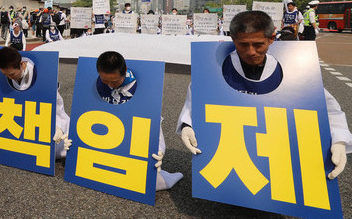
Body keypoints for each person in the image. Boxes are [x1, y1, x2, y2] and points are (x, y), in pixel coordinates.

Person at [177, 10, 352, 181]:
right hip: (232, 151)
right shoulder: (216, 69)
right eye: (243, 45)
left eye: (258, 44)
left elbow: (328, 108)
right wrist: (187, 124)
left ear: (271, 39)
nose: (251, 51)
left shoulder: (294, 72)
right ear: (233, 39)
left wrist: (339, 140)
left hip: (276, 150)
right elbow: (196, 100)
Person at [94, 51, 182, 190]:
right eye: (105, 80)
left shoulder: (138, 87)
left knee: (149, 183)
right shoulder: (98, 84)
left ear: (125, 72)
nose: (110, 85)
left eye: (115, 81)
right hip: (107, 132)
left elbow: (152, 121)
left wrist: (159, 150)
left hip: (133, 135)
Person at [0, 46, 71, 159]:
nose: (9, 78)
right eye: (5, 75)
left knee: (54, 149)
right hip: (21, 118)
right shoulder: (6, 77)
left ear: (21, 64)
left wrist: (59, 126)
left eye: (12, 74)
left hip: (42, 117)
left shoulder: (42, 76)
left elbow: (58, 106)